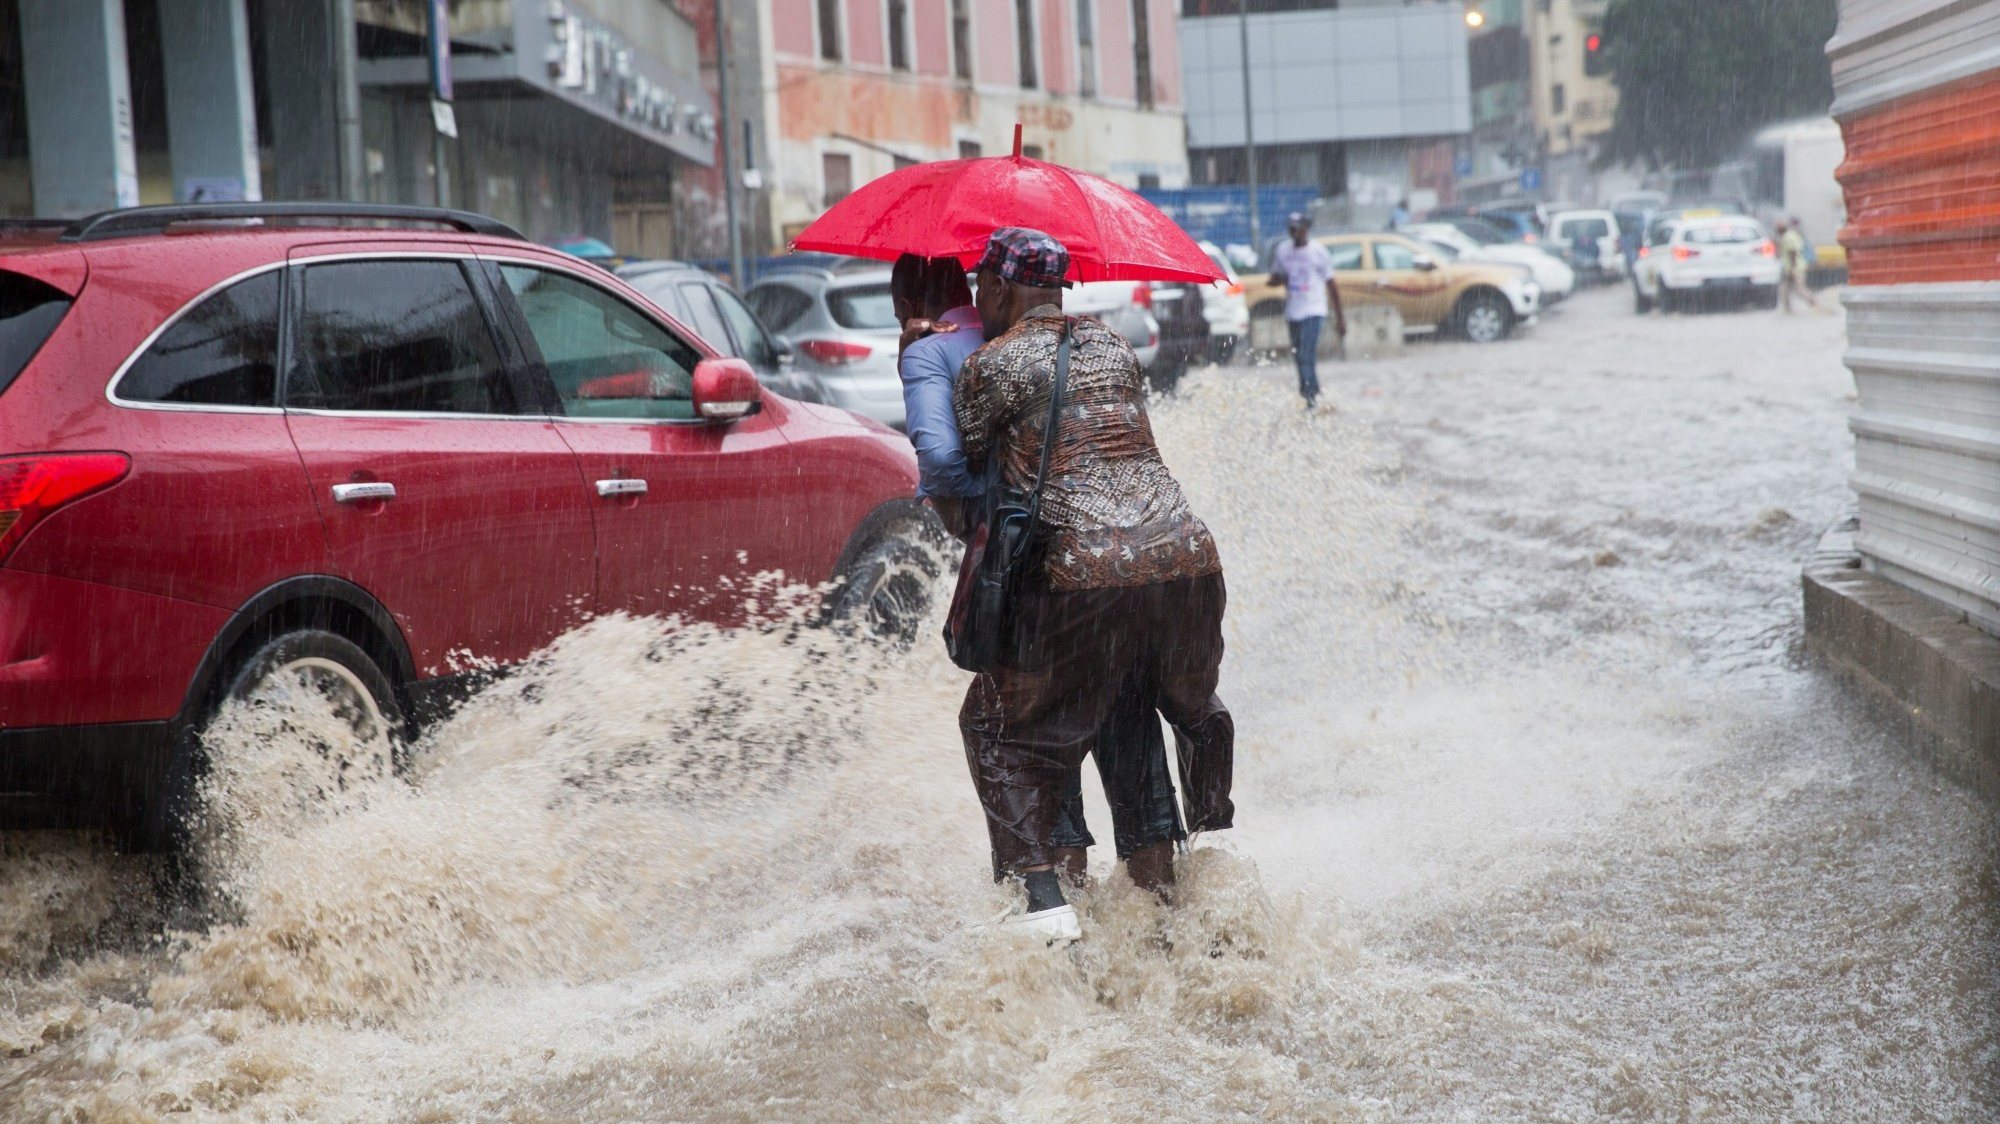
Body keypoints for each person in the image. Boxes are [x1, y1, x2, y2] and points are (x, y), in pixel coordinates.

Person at [955, 227, 1234, 942]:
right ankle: (1192, 876)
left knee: (997, 727)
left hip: (1082, 576)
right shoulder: (1112, 345)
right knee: (1136, 701)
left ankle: (1045, 906)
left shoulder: (987, 367)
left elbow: (972, 489)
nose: (976, 298)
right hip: (1185, 560)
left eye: (981, 284)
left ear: (1004, 287)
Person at [891, 255, 1187, 892]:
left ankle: (1052, 927)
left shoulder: (949, 358)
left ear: (996, 287)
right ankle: (1164, 931)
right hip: (1154, 565)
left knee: (1013, 738)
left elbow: (946, 464)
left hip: (1051, 580)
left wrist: (998, 502)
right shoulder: (1105, 343)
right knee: (1127, 726)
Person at [1269, 212, 1345, 410]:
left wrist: (1340, 318)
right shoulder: (1282, 250)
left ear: (1306, 229)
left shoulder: (1318, 252)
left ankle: (1310, 397)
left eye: (1298, 228)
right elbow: (1276, 276)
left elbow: (1332, 285)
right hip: (1293, 311)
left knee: (1305, 354)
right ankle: (1312, 393)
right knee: (1299, 356)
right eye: (1291, 229)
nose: (1294, 233)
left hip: (1314, 309)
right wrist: (1277, 280)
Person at [1776, 218, 1826, 314]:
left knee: (1797, 289)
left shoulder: (1788, 237)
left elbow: (1793, 253)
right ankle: (1789, 309)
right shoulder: (1791, 235)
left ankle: (1813, 302)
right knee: (1785, 289)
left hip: (1794, 268)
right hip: (1793, 267)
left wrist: (1792, 269)